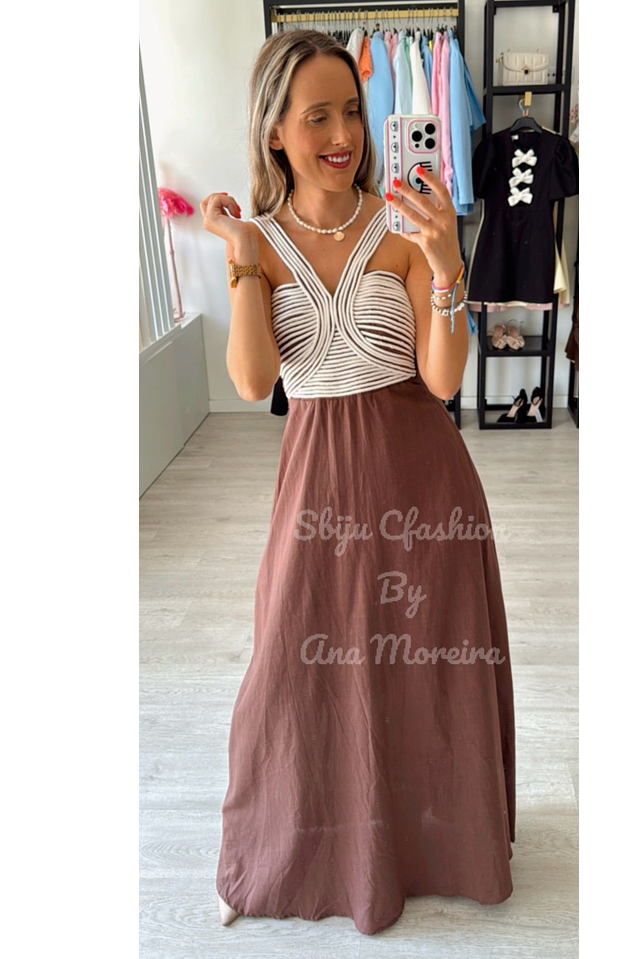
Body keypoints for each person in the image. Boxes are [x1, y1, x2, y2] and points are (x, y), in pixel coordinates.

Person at [202, 30, 515, 938]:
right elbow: (254, 381)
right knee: (293, 664)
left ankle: (438, 847)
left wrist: (447, 266)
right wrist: (242, 251)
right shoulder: (257, 242)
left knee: (425, 669)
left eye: (352, 111)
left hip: (425, 485)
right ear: (273, 131)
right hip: (316, 486)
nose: (342, 134)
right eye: (317, 117)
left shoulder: (405, 228)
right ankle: (290, 846)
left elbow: (443, 379)